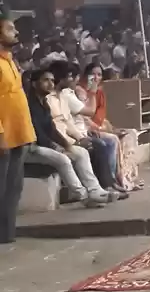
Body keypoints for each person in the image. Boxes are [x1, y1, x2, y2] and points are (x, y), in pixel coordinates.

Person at [24, 67, 111, 207]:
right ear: (34, 84)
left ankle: (96, 191)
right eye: (45, 80)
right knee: (63, 159)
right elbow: (37, 132)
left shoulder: (44, 103)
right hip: (31, 148)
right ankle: (82, 196)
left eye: (52, 80)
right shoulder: (28, 105)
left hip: (46, 145)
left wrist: (66, 145)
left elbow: (51, 129)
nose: (50, 84)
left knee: (81, 153)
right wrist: (56, 147)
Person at [77, 62, 142, 191]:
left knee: (130, 134)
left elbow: (101, 117)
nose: (96, 78)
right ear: (85, 76)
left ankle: (126, 178)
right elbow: (84, 117)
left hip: (98, 127)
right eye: (93, 74)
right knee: (113, 140)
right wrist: (101, 129)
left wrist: (112, 128)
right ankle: (112, 180)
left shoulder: (99, 92)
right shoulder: (80, 91)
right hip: (86, 129)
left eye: (99, 74)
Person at [0, 13, 36, 244]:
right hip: (4, 137)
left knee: (14, 187)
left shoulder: (10, 60)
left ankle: (6, 234)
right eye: (10, 29)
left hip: (20, 133)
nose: (16, 33)